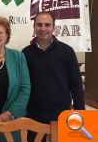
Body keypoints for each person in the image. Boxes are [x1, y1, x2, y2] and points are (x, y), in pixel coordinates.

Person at [22, 11, 85, 141]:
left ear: (53, 28)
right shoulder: (26, 53)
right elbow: (22, 85)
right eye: (39, 25)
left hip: (61, 113)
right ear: (34, 27)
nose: (43, 28)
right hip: (33, 113)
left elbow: (76, 84)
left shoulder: (66, 52)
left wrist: (80, 112)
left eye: (47, 25)